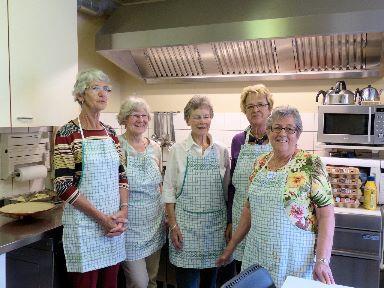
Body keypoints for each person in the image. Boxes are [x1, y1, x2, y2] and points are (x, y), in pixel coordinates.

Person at [217, 106, 335, 288]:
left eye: (289, 128)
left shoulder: (311, 164)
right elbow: (248, 210)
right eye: (277, 127)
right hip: (257, 254)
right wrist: (231, 246)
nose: (282, 133)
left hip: (294, 259)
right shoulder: (260, 163)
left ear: (298, 133)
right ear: (269, 131)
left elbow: (326, 216)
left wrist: (322, 260)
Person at [54, 69, 128, 288]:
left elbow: (121, 176)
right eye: (96, 88)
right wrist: (101, 219)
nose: (103, 94)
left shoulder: (111, 132)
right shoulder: (67, 132)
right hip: (84, 227)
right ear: (80, 95)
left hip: (114, 226)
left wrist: (123, 211)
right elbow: (63, 185)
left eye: (107, 89)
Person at [163, 95, 230, 288]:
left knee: (211, 284)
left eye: (206, 117)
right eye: (197, 117)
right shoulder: (178, 150)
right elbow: (168, 190)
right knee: (188, 284)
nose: (202, 122)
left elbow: (226, 191)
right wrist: (173, 226)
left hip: (215, 229)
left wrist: (228, 223)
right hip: (186, 229)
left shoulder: (221, 150)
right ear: (187, 120)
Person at [117, 97, 165, 288]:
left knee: (152, 279)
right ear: (125, 119)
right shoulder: (117, 146)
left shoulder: (155, 147)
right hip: (130, 225)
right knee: (139, 282)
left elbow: (159, 183)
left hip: (154, 221)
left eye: (144, 116)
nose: (141, 120)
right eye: (135, 115)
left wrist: (167, 213)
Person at [228, 84, 274, 273]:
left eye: (260, 105)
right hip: (240, 213)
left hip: (269, 216)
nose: (255, 110)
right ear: (245, 111)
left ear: (269, 108)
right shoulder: (238, 140)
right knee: (242, 270)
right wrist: (230, 221)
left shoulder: (278, 137)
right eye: (250, 106)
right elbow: (232, 183)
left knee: (266, 269)